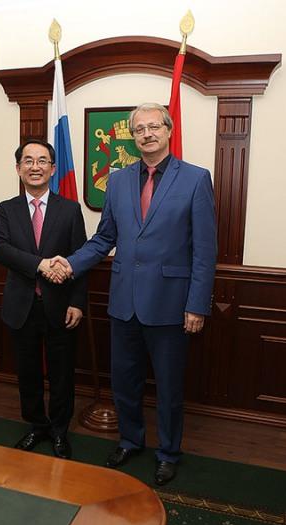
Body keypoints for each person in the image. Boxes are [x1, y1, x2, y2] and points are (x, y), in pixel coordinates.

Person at [48, 103, 217, 484]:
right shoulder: (118, 181)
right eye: (139, 129)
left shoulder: (195, 179)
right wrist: (70, 263)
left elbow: (205, 251)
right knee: (124, 381)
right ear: (132, 137)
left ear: (168, 130)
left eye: (154, 126)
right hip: (123, 302)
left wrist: (197, 305)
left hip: (171, 304)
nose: (147, 134)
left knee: (169, 387)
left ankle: (168, 452)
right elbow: (105, 237)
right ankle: (130, 440)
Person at [0, 139, 88, 459]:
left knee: (62, 374)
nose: (36, 167)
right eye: (29, 161)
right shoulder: (6, 209)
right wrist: (41, 265)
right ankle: (37, 425)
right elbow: (0, 249)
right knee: (28, 373)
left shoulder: (70, 210)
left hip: (61, 307)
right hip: (21, 307)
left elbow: (80, 259)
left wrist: (78, 302)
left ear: (53, 168)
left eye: (42, 161)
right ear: (18, 168)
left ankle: (59, 431)